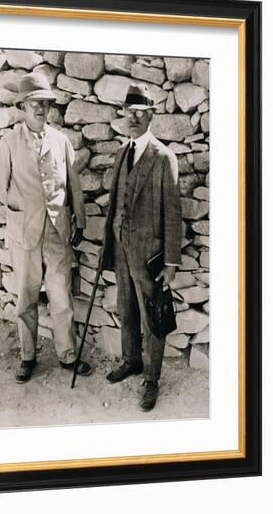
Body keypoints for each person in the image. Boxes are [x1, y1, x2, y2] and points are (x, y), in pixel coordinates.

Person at [0, 72, 92, 384]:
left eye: (45, 103)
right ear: (22, 106)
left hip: (58, 232)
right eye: (34, 103)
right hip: (25, 234)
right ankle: (28, 356)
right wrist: (22, 208)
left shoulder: (60, 141)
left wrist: (78, 218)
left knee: (62, 298)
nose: (40, 108)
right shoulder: (8, 144)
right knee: (27, 299)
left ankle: (67, 355)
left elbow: (73, 183)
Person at [101, 83, 182, 411]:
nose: (133, 117)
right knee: (126, 308)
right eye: (128, 111)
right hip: (121, 248)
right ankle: (131, 360)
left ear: (151, 116)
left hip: (149, 254)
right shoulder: (123, 151)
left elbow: (173, 214)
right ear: (122, 114)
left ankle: (151, 378)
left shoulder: (163, 157)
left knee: (152, 316)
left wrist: (172, 262)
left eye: (140, 113)